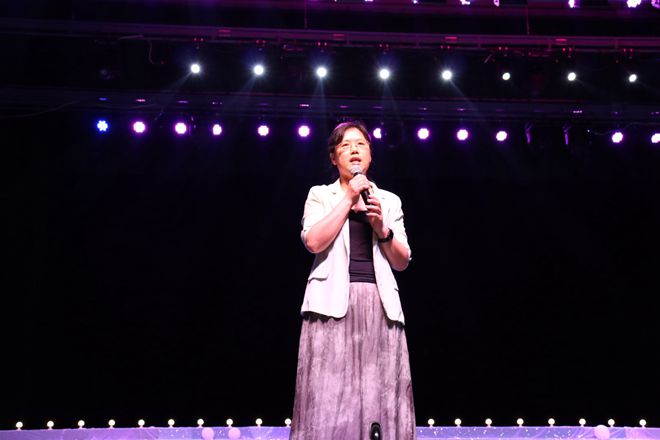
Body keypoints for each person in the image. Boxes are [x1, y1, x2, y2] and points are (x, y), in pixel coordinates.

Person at [290, 120, 416, 440]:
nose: (354, 150)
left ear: (370, 154)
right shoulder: (321, 195)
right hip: (331, 303)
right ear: (334, 158)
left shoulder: (389, 200)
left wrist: (382, 228)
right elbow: (313, 242)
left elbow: (402, 261)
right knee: (328, 393)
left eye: (360, 144)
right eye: (345, 145)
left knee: (380, 391)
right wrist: (348, 198)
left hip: (379, 303)